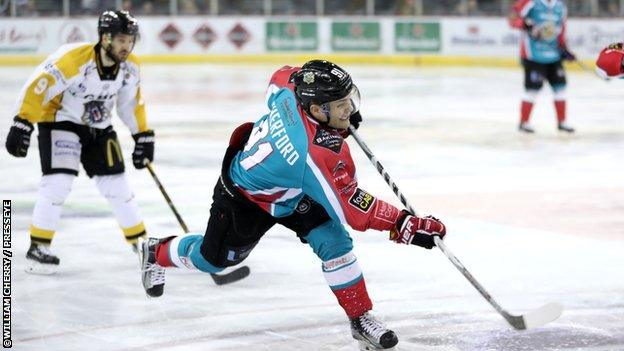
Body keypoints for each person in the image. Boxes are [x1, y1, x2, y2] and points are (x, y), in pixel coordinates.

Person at [138, 60, 446, 350]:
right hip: (247, 198)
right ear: (316, 109)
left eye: (349, 100)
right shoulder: (314, 154)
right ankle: (157, 252)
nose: (349, 109)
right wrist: (403, 223)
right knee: (212, 261)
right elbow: (352, 207)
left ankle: (360, 318)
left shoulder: (292, 89)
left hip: (292, 189)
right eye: (341, 105)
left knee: (335, 243)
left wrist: (335, 114)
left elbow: (281, 75)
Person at [4, 10, 153, 274]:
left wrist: (142, 135)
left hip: (99, 128)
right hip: (60, 121)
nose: (126, 46)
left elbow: (131, 104)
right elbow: (38, 85)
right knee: (58, 182)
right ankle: (39, 246)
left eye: (130, 40)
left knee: (118, 186)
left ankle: (140, 243)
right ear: (104, 38)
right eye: (121, 40)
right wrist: (23, 121)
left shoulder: (130, 67)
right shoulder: (74, 60)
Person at [509, 0, 576, 133]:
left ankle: (562, 122)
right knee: (532, 90)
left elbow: (561, 29)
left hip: (554, 56)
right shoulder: (530, 2)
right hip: (534, 56)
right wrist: (524, 25)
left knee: (560, 88)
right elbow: (513, 18)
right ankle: (524, 122)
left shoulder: (560, 6)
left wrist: (564, 48)